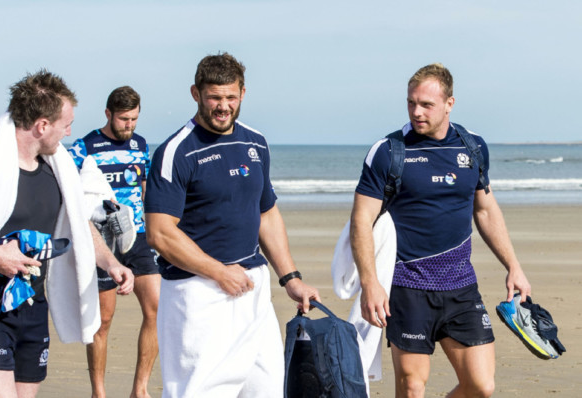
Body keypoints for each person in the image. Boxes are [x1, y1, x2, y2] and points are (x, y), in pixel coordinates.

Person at [0, 70, 134, 398]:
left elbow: (78, 223)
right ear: (42, 125)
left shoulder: (56, 168)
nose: (70, 131)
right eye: (66, 123)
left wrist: (109, 262)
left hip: (33, 306)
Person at [144, 52, 321, 397]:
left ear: (243, 93)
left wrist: (291, 279)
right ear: (196, 94)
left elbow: (266, 214)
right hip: (196, 292)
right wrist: (218, 272)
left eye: (231, 97)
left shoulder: (255, 142)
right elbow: (160, 233)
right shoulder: (176, 151)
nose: (223, 106)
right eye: (214, 97)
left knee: (267, 390)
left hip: (253, 287)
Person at [350, 63, 532, 398]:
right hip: (407, 286)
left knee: (481, 385)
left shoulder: (472, 146)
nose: (416, 112)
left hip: (461, 285)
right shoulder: (388, 152)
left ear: (449, 103)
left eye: (426, 105)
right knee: (412, 386)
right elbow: (361, 220)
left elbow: (485, 209)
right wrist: (370, 282)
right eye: (411, 103)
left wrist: (514, 266)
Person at [69, 86, 160, 398]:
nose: (129, 125)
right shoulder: (85, 147)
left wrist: (156, 230)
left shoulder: (140, 145)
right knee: (103, 320)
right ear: (108, 114)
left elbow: (145, 188)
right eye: (124, 119)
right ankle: (99, 392)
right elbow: (71, 193)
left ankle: (140, 390)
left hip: (138, 237)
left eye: (134, 119)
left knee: (157, 308)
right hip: (104, 241)